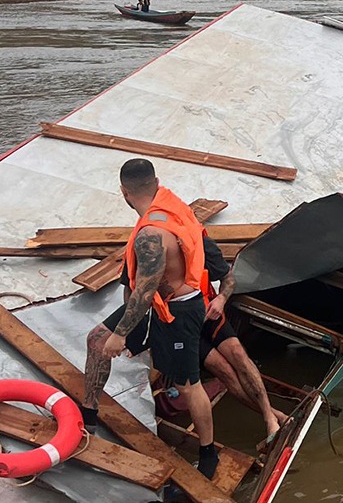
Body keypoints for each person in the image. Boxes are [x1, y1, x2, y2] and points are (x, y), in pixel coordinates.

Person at [83, 159, 219, 478]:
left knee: (189, 386)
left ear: (123, 192)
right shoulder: (169, 204)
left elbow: (144, 293)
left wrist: (121, 335)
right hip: (158, 303)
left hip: (178, 310)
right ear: (156, 182)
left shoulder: (151, 234)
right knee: (95, 339)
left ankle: (209, 453)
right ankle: (88, 415)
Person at [119, 234, 288, 439]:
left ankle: (270, 418)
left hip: (208, 311)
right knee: (223, 370)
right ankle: (273, 415)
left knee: (238, 354)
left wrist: (222, 299)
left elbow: (228, 278)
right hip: (179, 324)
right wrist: (132, 333)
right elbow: (130, 292)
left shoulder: (198, 241)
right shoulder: (143, 248)